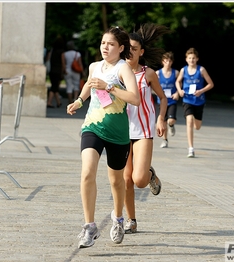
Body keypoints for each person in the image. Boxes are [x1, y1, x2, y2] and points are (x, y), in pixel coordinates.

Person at [66, 26, 140, 249]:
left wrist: (110, 87)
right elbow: (89, 85)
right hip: (93, 126)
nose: (105, 47)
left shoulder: (123, 69)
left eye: (110, 44)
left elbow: (134, 99)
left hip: (117, 133)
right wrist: (79, 101)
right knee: (87, 171)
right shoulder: (94, 66)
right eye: (103, 43)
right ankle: (89, 227)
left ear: (121, 48)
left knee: (116, 181)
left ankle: (118, 218)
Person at [123, 23, 169, 234]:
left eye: (134, 48)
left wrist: (160, 119)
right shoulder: (117, 73)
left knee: (138, 180)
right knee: (126, 179)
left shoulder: (148, 74)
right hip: (121, 132)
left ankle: (149, 175)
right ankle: (131, 220)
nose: (130, 52)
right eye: (127, 48)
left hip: (142, 132)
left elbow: (162, 97)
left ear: (141, 51)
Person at [175, 47, 214, 158]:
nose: (191, 60)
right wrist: (180, 90)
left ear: (197, 59)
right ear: (186, 59)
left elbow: (211, 84)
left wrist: (201, 91)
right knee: (189, 121)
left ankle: (195, 130)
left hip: (199, 101)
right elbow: (177, 82)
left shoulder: (201, 70)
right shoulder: (183, 70)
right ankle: (191, 148)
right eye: (189, 58)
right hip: (187, 99)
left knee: (197, 126)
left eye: (193, 58)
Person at [155, 51, 180, 148]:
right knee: (163, 121)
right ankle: (164, 140)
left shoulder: (176, 73)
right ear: (162, 62)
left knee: (171, 120)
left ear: (172, 62)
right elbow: (154, 85)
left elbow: (179, 84)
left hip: (172, 100)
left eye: (169, 61)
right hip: (161, 100)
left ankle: (171, 125)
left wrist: (177, 93)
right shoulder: (158, 73)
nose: (168, 63)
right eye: (166, 61)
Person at [47, 36, 65, 108]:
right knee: (54, 87)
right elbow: (63, 63)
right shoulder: (61, 52)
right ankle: (49, 102)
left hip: (52, 70)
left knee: (55, 87)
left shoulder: (52, 51)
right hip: (58, 71)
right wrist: (64, 71)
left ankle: (58, 102)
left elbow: (48, 60)